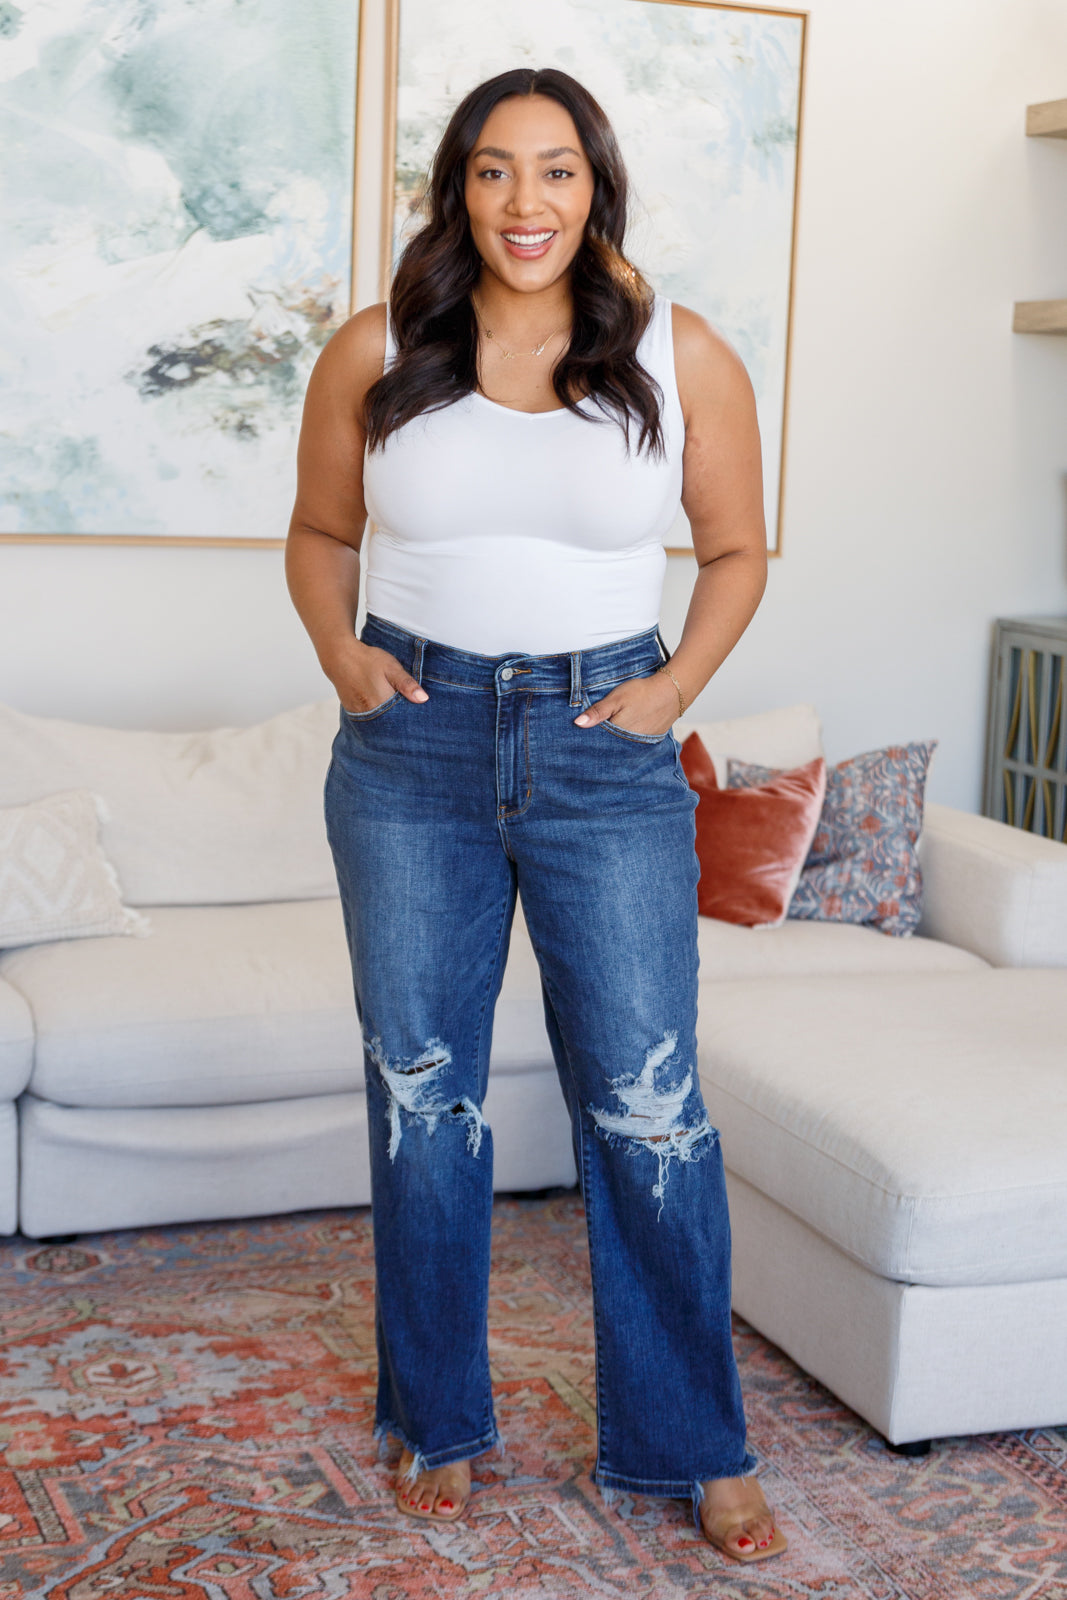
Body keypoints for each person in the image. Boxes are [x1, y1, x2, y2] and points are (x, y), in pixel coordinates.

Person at [285, 66, 786, 1564]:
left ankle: (691, 1442)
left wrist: (673, 689)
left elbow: (739, 550)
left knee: (647, 1105)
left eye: (556, 170)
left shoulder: (679, 351)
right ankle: (437, 1415)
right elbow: (319, 531)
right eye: (495, 169)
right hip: (412, 751)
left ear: (596, 188)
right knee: (424, 1099)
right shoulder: (377, 346)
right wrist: (340, 653)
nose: (525, 201)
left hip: (600, 752)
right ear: (458, 187)